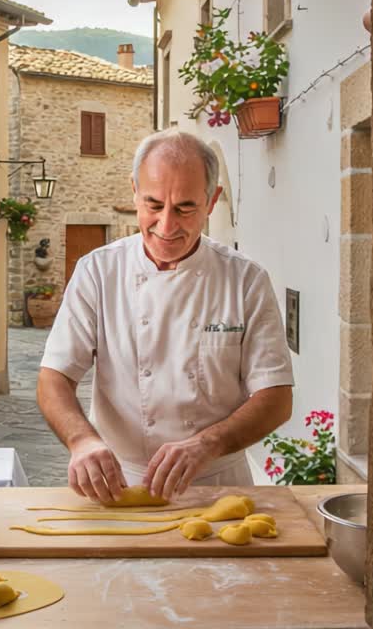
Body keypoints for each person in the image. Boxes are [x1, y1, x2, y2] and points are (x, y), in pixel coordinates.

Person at [37, 128, 294, 504]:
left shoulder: (245, 279)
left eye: (186, 208)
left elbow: (276, 397)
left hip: (217, 484)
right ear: (134, 193)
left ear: (212, 201)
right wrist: (82, 440)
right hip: (117, 483)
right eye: (154, 205)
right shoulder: (98, 271)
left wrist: (207, 443)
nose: (167, 225)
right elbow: (54, 377)